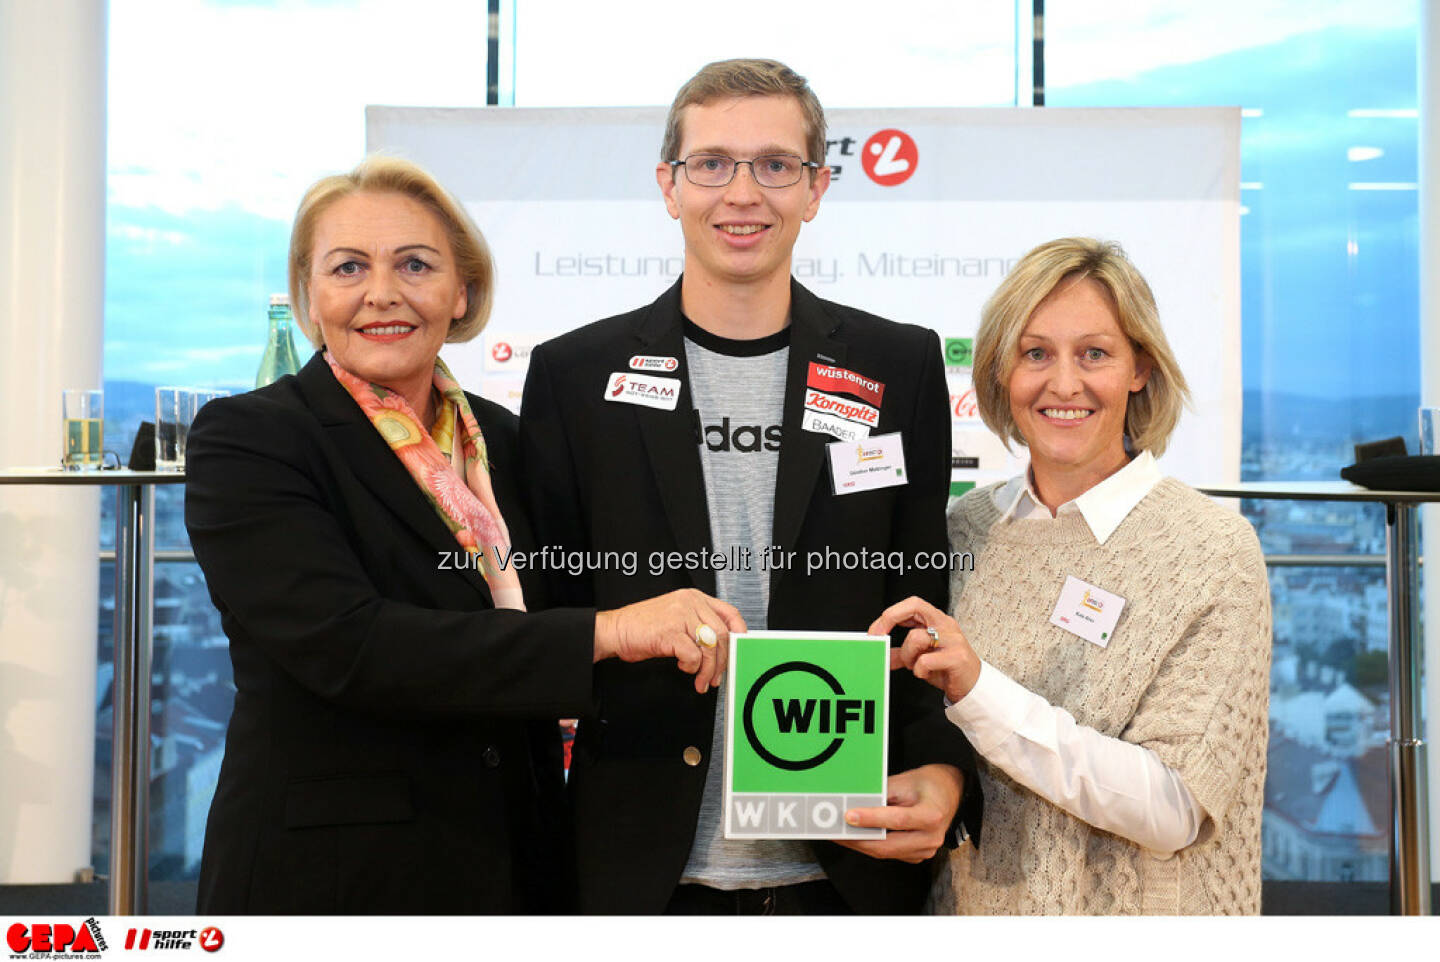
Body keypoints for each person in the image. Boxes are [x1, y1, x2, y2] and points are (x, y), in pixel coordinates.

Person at [185, 155, 743, 914]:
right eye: (348, 267)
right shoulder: (251, 439)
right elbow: (352, 647)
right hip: (338, 878)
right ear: (309, 297)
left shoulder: (509, 443)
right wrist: (612, 631)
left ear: (462, 292)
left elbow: (573, 601)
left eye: (415, 264)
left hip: (515, 861)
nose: (382, 292)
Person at [520, 59, 980, 915]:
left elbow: (917, 600)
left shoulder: (898, 366)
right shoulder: (574, 377)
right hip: (642, 874)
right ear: (669, 185)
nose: (743, 192)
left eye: (775, 165)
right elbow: (546, 621)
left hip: (846, 867)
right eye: (712, 164)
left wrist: (947, 771)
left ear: (817, 188)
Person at [873, 237, 1272, 914]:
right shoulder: (961, 532)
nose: (1063, 383)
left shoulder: (1212, 550)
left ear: (1140, 368)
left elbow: (1175, 807)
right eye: (1035, 354)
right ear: (1001, 372)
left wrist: (978, 690)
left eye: (1095, 353)